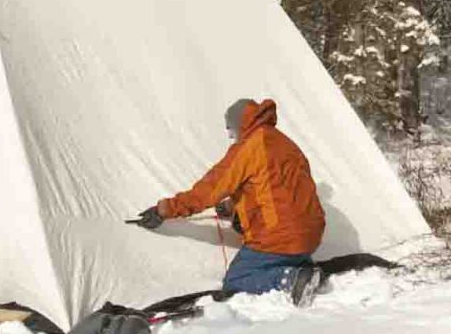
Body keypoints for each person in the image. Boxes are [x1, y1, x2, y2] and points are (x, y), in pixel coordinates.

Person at [133, 98, 326, 306]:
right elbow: (277, 188)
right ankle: (303, 269)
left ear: (240, 124)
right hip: (312, 235)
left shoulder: (249, 147)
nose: (230, 136)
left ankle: (288, 279)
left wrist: (165, 209)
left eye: (230, 129)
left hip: (278, 239)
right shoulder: (284, 143)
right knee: (287, 249)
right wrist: (232, 207)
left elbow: (209, 190)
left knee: (236, 281)